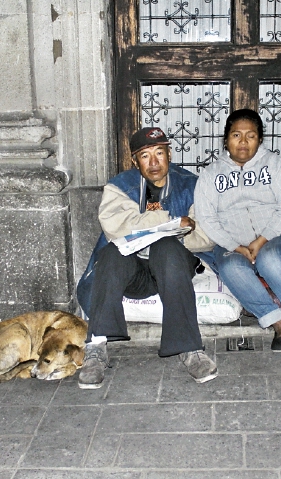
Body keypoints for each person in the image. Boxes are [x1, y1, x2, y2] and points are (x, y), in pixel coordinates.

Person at [76, 127, 218, 389]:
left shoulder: (192, 184)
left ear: (169, 154)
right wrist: (169, 220)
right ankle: (95, 347)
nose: (154, 163)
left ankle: (190, 348)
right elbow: (116, 227)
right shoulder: (120, 186)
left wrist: (176, 233)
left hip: (173, 267)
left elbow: (208, 235)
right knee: (112, 252)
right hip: (134, 272)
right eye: (145, 156)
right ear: (134, 160)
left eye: (159, 153)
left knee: (166, 247)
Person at [194, 109, 281, 352]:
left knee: (270, 259)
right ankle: (279, 323)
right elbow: (207, 218)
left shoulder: (274, 164)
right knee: (230, 267)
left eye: (250, 136)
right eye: (236, 135)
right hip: (233, 245)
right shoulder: (210, 174)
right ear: (226, 139)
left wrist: (261, 241)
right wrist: (236, 246)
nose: (243, 142)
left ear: (260, 140)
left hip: (277, 238)